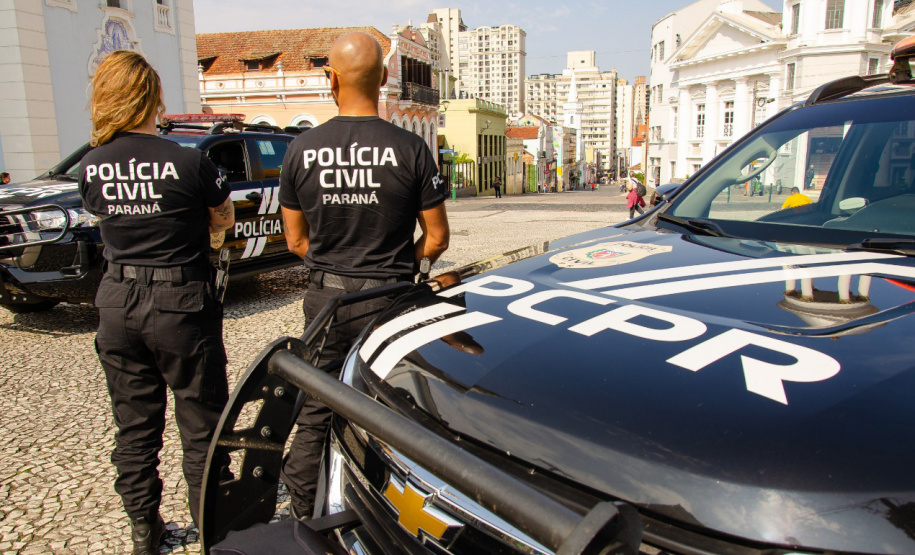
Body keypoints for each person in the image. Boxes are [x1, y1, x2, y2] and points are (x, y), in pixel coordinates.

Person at [277, 32, 450, 520]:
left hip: (327, 301)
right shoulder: (411, 148)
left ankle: (304, 508)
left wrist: (335, 263)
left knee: (317, 406)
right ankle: (389, 509)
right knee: (392, 406)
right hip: (390, 299)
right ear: (383, 80)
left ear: (331, 77)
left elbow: (295, 241)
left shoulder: (301, 148)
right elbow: (436, 238)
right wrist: (402, 269)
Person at [77, 51, 234, 555]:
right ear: (154, 96)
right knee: (202, 424)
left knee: (135, 427)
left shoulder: (90, 163)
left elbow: (101, 215)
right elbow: (223, 219)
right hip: (180, 301)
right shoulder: (189, 159)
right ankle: (213, 530)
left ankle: (145, 532)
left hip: (117, 301)